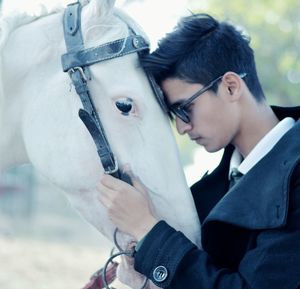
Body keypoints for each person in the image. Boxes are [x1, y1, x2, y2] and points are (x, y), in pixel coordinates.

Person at [98, 13, 300, 289]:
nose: (182, 128)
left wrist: (146, 228)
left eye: (185, 108)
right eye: (173, 115)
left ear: (230, 86)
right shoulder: (213, 191)